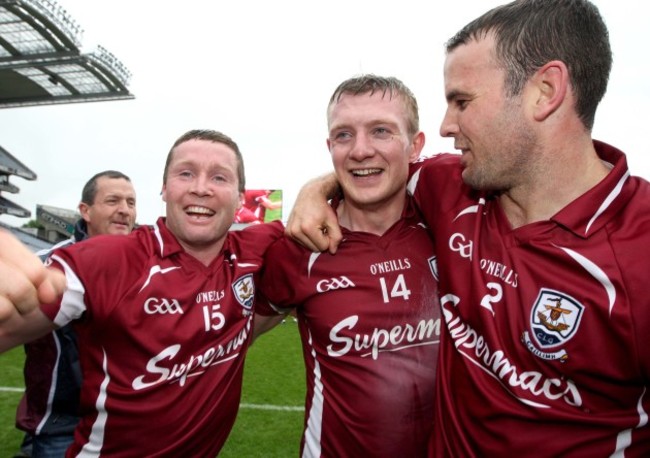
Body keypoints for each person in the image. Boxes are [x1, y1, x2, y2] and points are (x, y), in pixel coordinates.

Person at [286, 0, 650, 455]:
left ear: (545, 90)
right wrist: (317, 188)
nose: (446, 125)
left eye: (462, 101)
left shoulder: (640, 254)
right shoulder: (451, 186)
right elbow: (376, 167)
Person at [0, 129, 284, 456]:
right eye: (186, 173)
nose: (201, 188)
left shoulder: (258, 249)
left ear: (239, 198)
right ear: (164, 189)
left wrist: (315, 191)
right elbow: (12, 322)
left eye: (219, 177)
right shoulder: (110, 259)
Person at [257, 75, 440, 457]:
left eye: (381, 131)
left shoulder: (448, 225)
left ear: (415, 146)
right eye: (343, 135)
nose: (360, 150)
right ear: (330, 147)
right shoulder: (300, 248)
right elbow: (232, 336)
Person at [16, 170, 137, 458]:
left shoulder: (148, 267)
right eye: (113, 200)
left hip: (125, 420)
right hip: (63, 423)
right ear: (86, 210)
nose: (124, 210)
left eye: (131, 203)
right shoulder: (46, 265)